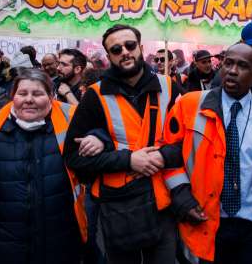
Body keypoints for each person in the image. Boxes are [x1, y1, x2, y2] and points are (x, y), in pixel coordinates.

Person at [162, 43, 252, 264]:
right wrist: (182, 198)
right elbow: (169, 157)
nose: (233, 71)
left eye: (242, 66)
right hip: (206, 222)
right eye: (228, 63)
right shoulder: (189, 106)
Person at [64, 24, 179, 264]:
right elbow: (73, 157)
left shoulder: (169, 87)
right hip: (119, 209)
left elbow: (188, 142)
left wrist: (162, 157)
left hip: (163, 204)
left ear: (140, 47)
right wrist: (129, 160)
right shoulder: (95, 96)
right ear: (109, 57)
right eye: (116, 49)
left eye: (129, 45)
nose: (124, 52)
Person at [0, 68, 92, 263]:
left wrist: (98, 139)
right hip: (5, 243)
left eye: (38, 93)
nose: (29, 100)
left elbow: (103, 134)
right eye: (22, 93)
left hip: (60, 239)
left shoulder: (72, 121)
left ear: (51, 96)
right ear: (12, 96)